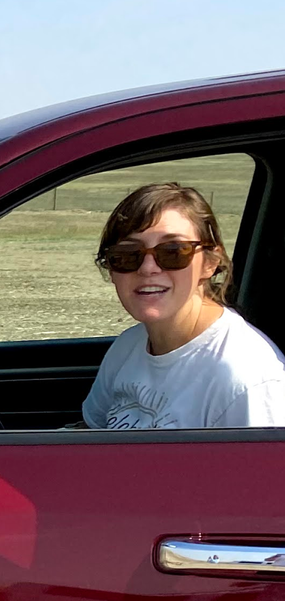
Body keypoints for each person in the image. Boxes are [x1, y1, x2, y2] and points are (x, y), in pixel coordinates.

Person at [82, 182, 285, 428]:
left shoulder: (247, 381)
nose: (147, 268)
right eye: (127, 255)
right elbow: (92, 431)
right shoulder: (128, 345)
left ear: (210, 263)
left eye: (173, 251)